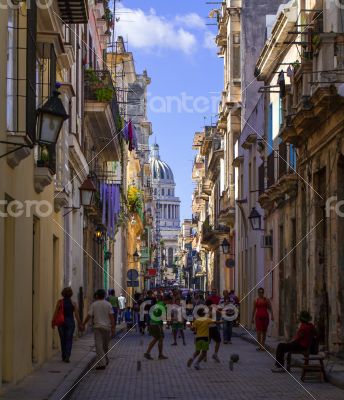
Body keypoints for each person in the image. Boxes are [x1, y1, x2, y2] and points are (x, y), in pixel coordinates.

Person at [82, 289, 115, 370]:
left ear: (97, 295)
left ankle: (103, 361)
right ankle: (103, 361)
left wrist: (83, 324)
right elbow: (112, 317)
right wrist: (113, 328)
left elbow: (89, 315)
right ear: (104, 295)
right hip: (106, 328)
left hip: (97, 327)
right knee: (105, 346)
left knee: (98, 346)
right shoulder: (108, 304)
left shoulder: (94, 304)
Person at [52, 287, 83, 363]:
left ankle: (63, 355)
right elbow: (76, 315)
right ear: (71, 294)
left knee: (63, 339)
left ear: (63, 294)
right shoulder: (73, 303)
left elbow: (55, 313)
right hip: (70, 323)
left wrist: (53, 321)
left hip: (61, 323)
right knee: (69, 339)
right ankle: (67, 355)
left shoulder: (59, 302)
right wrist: (80, 323)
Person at [144, 295, 168, 360]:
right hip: (156, 324)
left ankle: (149, 353)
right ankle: (156, 354)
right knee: (159, 338)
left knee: (157, 338)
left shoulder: (158, 303)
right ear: (167, 300)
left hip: (153, 322)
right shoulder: (163, 306)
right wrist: (166, 324)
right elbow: (164, 318)